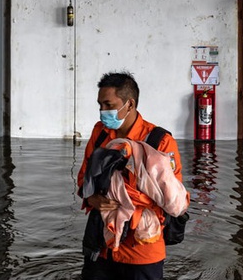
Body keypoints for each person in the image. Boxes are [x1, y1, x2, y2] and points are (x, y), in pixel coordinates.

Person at [77, 72, 186, 280]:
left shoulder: (159, 142)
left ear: (130, 104)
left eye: (109, 105)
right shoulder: (100, 133)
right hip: (102, 244)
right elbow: (84, 178)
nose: (102, 111)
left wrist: (125, 200)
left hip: (141, 249)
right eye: (100, 105)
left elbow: (174, 200)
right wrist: (92, 198)